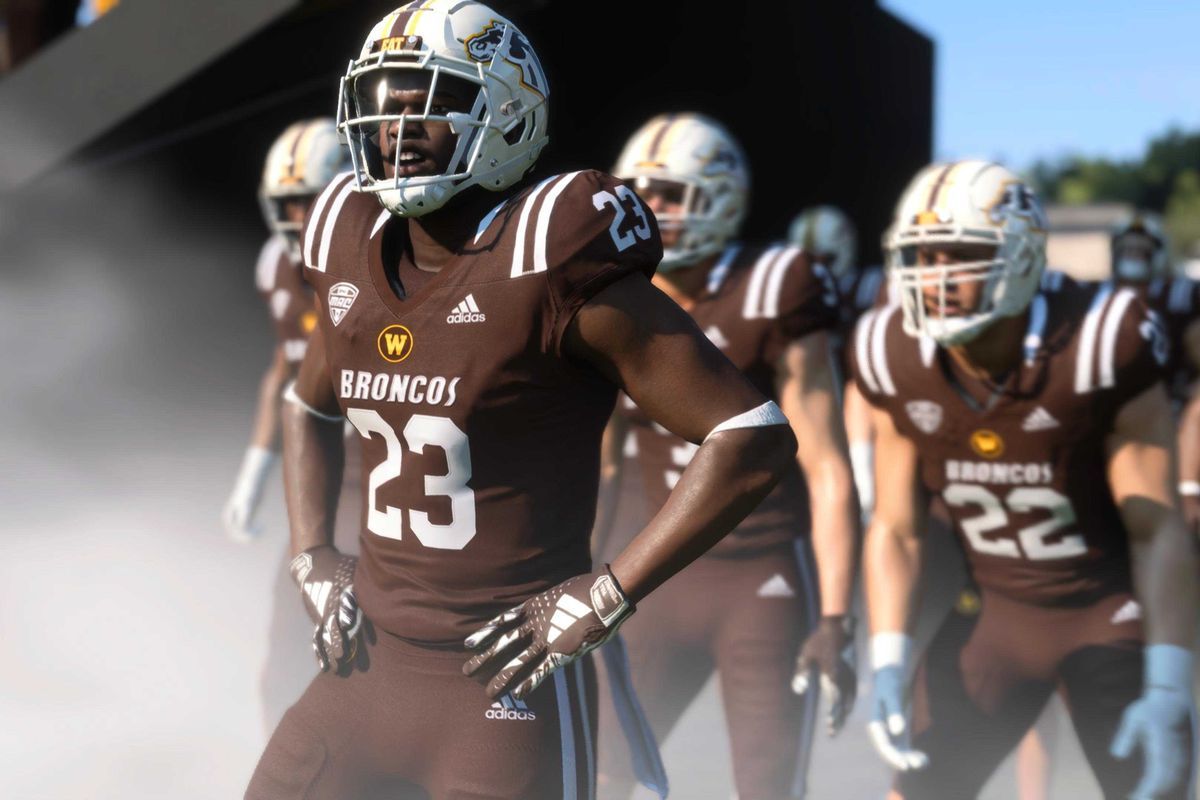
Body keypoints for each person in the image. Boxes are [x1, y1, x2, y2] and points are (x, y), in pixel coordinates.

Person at [244, 4, 797, 799]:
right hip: (362, 668)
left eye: (426, 100)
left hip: (502, 688)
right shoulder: (344, 232)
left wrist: (609, 592)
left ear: (503, 113)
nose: (395, 127)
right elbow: (309, 406)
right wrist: (311, 552)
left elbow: (751, 435)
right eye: (382, 102)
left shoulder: (549, 250)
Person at [853, 159, 1197, 799]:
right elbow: (896, 529)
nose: (937, 277)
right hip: (994, 612)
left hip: (1109, 612)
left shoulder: (1101, 339)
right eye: (922, 256)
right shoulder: (888, 350)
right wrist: (889, 658)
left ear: (1021, 258)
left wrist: (1172, 684)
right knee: (914, 791)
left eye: (961, 254)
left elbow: (1156, 529)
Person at [592, 113, 858, 800]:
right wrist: (574, 573)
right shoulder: (614, 292)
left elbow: (828, 467)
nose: (659, 212)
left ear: (724, 199)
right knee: (603, 769)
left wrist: (836, 616)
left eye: (677, 194)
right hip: (655, 573)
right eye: (647, 194)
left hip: (761, 579)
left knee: (767, 786)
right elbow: (605, 465)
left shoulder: (776, 284)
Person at [223, 118, 361, 732]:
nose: (299, 215)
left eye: (312, 197)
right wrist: (255, 469)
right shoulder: (275, 265)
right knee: (288, 646)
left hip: (400, 483)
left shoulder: (395, 258)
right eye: (289, 201)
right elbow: (284, 367)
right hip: (327, 487)